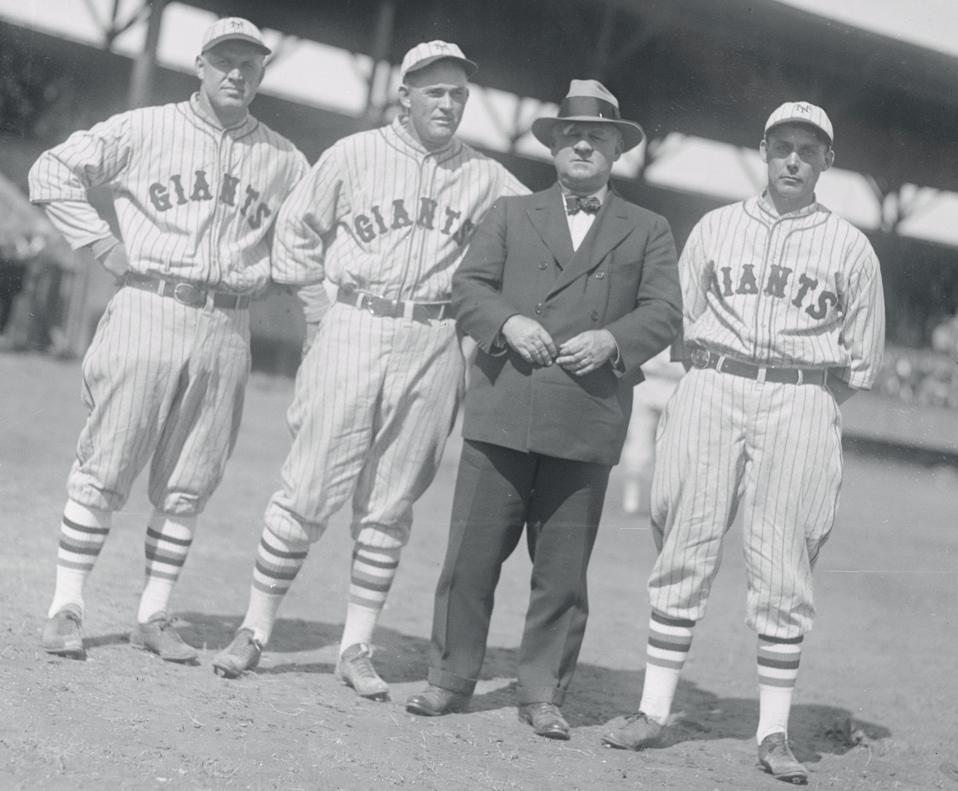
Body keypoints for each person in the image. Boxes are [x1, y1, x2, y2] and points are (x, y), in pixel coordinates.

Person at [211, 41, 528, 698]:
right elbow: (294, 231)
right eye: (435, 90)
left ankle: (356, 644)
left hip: (435, 336)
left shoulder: (489, 177)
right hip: (356, 318)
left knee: (392, 501)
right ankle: (255, 626)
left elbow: (543, 234)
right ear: (404, 93)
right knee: (308, 485)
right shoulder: (354, 154)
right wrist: (319, 308)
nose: (448, 102)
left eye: (459, 93)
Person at [600, 102, 886, 784]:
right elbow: (679, 323)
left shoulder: (851, 246)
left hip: (800, 393)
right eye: (783, 145)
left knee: (785, 558)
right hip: (711, 380)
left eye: (808, 150)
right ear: (763, 148)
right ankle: (653, 709)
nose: (794, 159)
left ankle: (774, 731)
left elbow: (863, 360)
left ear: (827, 161)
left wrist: (802, 396)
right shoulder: (716, 228)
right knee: (683, 539)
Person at [404, 80, 682, 740]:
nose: (582, 144)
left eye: (597, 136)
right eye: (570, 135)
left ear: (617, 149)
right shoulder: (510, 213)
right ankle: (449, 677)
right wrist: (507, 324)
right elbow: (469, 287)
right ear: (554, 146)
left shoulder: (648, 230)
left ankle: (542, 691)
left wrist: (613, 338)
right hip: (505, 406)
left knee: (561, 573)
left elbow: (665, 311)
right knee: (470, 560)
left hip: (585, 416)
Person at [29, 17, 309, 663]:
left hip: (227, 325)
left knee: (192, 476)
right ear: (201, 66)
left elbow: (312, 235)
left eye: (249, 63)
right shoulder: (144, 126)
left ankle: (153, 612)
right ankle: (66, 605)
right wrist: (100, 242)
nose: (236, 73)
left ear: (262, 73)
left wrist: (294, 289)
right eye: (224, 61)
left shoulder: (286, 159)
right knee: (107, 460)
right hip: (149, 306)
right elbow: (51, 171)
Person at [619, 348, 685, 514]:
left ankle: (668, 499)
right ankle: (631, 495)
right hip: (648, 379)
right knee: (638, 442)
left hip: (676, 382)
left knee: (675, 448)